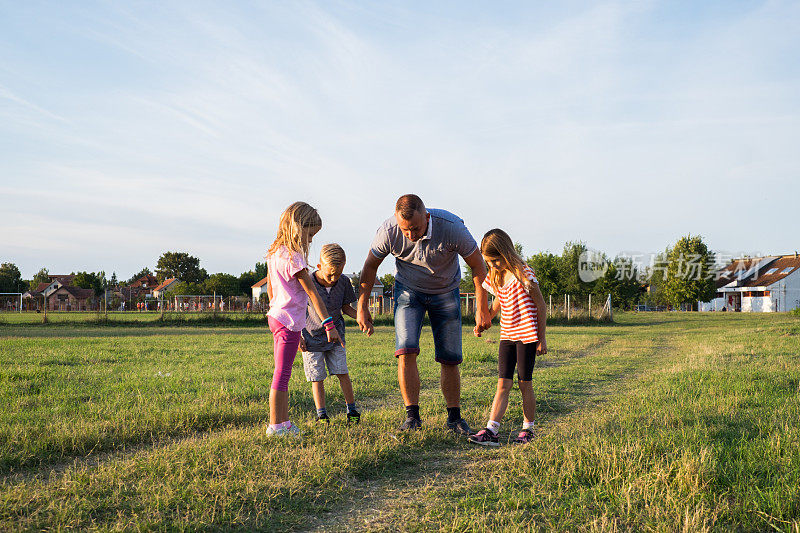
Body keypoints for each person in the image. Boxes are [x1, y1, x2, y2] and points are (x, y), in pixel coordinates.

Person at [356, 194, 491, 434]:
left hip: (446, 291)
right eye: (405, 229)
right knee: (405, 351)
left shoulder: (451, 227)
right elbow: (370, 267)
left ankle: (454, 418)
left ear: (427, 217)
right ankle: (412, 417)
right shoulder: (388, 231)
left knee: (450, 357)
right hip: (408, 292)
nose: (410, 235)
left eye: (415, 228)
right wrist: (362, 306)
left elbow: (478, 265)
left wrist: (482, 307)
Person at [265, 202, 342, 438]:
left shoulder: (274, 253)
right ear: (299, 228)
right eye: (309, 235)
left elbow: (270, 288)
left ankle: (283, 423)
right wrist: (329, 325)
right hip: (288, 322)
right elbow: (313, 293)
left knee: (281, 372)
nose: (310, 241)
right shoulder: (294, 257)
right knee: (282, 375)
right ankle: (277, 426)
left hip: (277, 317)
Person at [468, 229, 547, 446]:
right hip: (508, 335)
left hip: (527, 335)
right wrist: (485, 321)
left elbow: (540, 306)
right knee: (503, 383)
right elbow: (498, 302)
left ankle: (528, 430)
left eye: (495, 260)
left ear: (506, 253)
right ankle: (491, 430)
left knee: (524, 383)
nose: (492, 265)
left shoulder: (524, 273)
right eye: (488, 262)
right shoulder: (496, 275)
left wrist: (542, 338)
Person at [300, 243, 361, 425]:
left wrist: (361, 317)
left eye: (338, 273)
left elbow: (346, 307)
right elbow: (298, 310)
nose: (334, 278)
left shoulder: (343, 282)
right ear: (319, 266)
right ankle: (322, 415)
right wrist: (298, 336)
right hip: (311, 337)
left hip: (337, 338)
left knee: (342, 371)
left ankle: (352, 411)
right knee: (317, 377)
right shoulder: (306, 282)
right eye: (330, 274)